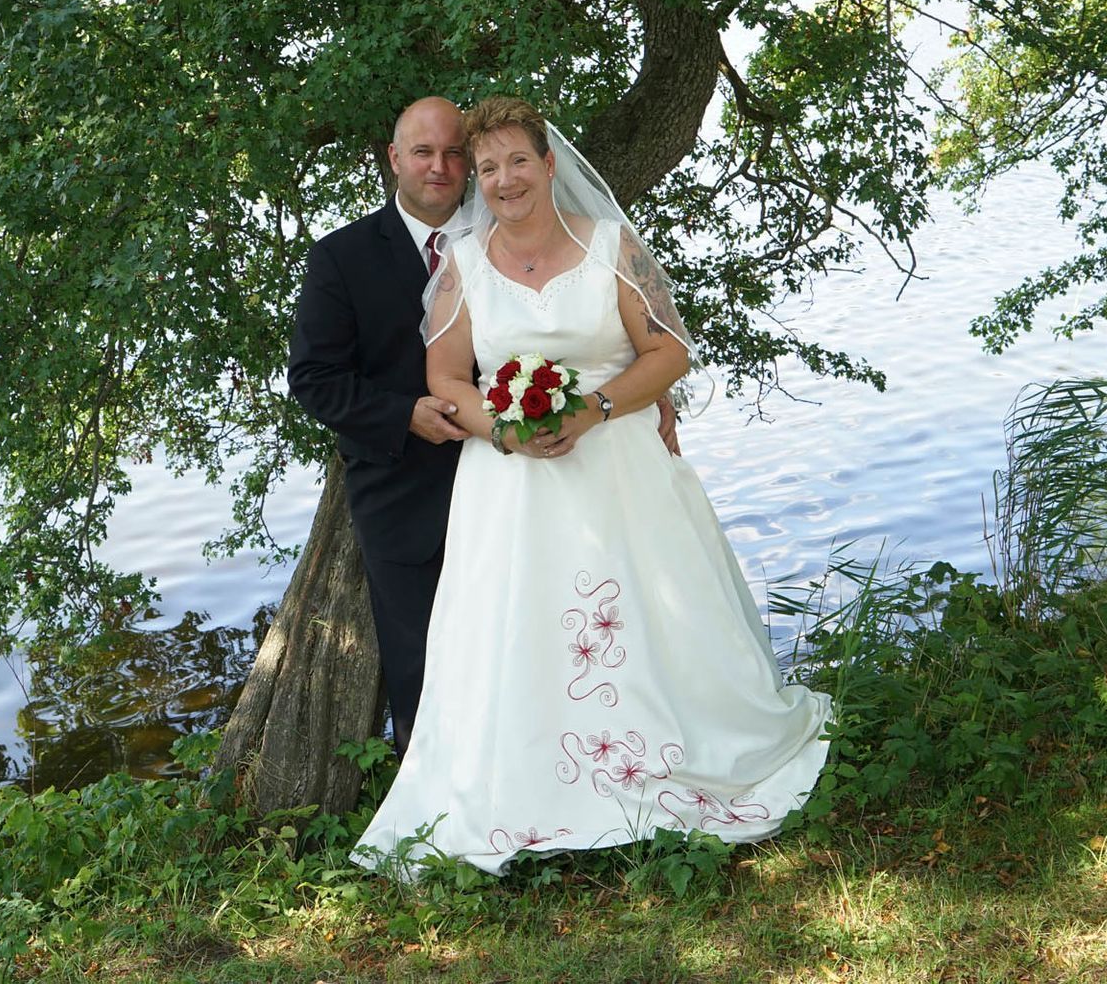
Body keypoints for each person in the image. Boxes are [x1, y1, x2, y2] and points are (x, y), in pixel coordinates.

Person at [353, 95, 830, 875]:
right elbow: (445, 375)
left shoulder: (612, 245)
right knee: (525, 627)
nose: (504, 181)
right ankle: (534, 783)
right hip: (510, 486)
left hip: (619, 467)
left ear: (547, 165)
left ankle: (663, 765)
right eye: (487, 169)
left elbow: (669, 351)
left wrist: (597, 408)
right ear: (476, 182)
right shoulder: (463, 265)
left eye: (517, 162)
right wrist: (503, 427)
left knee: (646, 618)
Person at [286, 97, 472, 755]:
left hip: (510, 484)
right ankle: (438, 809)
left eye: (454, 151)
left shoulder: (506, 239)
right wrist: (403, 416)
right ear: (395, 159)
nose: (440, 167)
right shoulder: (341, 258)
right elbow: (314, 379)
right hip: (400, 491)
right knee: (422, 662)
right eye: (424, 152)